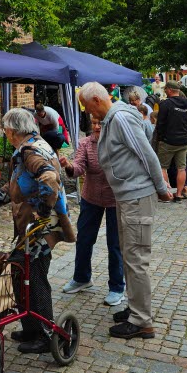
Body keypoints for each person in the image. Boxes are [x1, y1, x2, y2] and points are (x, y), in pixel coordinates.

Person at [79, 82, 171, 339]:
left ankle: (142, 321)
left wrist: (161, 187)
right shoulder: (112, 118)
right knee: (130, 255)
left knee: (136, 258)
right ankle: (135, 308)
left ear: (97, 100)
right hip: (127, 196)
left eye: (88, 107)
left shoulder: (119, 118)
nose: (88, 113)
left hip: (136, 195)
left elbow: (146, 154)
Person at [0, 108, 75, 353]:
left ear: (11, 131)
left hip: (40, 230)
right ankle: (31, 327)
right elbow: (19, 184)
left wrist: (41, 212)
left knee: (34, 278)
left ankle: (43, 335)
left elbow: (50, 179)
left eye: (5, 129)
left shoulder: (30, 152)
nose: (5, 133)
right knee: (22, 274)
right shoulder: (31, 145)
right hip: (33, 228)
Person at [59, 117, 124, 306]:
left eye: (100, 123)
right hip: (91, 197)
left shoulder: (118, 143)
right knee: (85, 239)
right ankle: (82, 278)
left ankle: (117, 287)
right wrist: (69, 166)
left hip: (115, 199)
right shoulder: (85, 143)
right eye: (94, 123)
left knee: (115, 244)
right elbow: (79, 167)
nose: (96, 126)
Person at [156, 80, 187, 202]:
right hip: (183, 141)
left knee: (162, 167)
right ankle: (178, 194)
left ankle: (166, 194)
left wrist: (161, 138)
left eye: (165, 89)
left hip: (168, 141)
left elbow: (160, 124)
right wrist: (186, 135)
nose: (165, 91)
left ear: (170, 90)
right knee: (181, 168)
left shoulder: (166, 104)